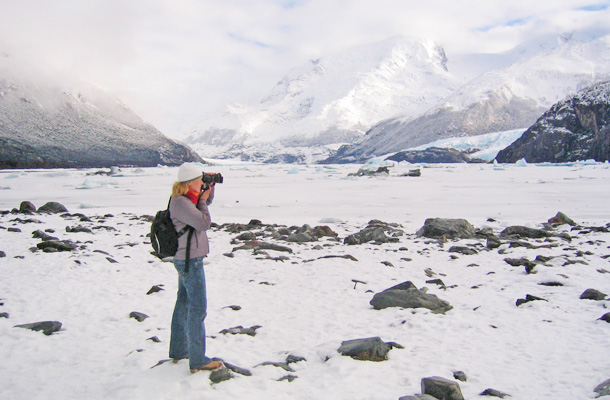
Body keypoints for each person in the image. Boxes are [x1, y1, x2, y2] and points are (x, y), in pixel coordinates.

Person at [168, 162, 223, 373]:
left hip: (187, 259)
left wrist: (210, 188)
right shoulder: (181, 203)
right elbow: (203, 223)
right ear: (190, 182)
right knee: (197, 309)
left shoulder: (184, 199)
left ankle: (179, 351)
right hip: (190, 261)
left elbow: (205, 202)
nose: (202, 182)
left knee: (183, 304)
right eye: (200, 180)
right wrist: (201, 199)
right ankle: (198, 360)